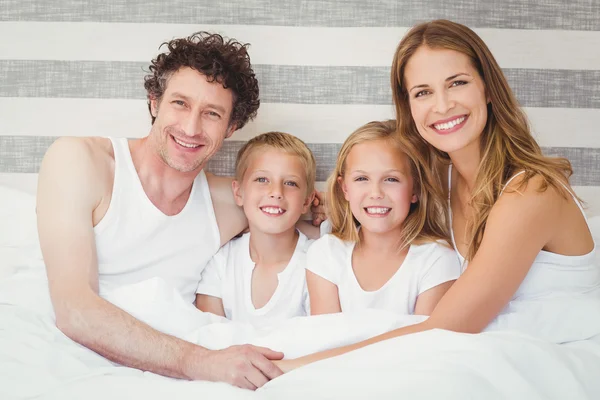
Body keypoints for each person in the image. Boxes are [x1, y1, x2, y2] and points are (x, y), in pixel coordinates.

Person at [275, 19, 599, 372]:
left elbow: (443, 329)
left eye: (457, 83)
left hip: (554, 354)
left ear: (488, 89)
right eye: (423, 92)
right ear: (409, 107)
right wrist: (317, 209)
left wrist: (299, 367)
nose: (442, 106)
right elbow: (378, 211)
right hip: (482, 347)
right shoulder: (439, 180)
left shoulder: (530, 191)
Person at [36, 31, 292, 390]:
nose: (190, 128)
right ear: (154, 101)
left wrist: (322, 207)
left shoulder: (229, 201)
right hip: (76, 363)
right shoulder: (82, 161)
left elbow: (309, 213)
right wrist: (203, 362)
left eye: (212, 114)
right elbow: (74, 311)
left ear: (231, 127)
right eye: (180, 104)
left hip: (164, 379)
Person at [306, 120, 460, 316]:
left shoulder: (436, 259)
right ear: (345, 188)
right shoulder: (326, 254)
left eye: (391, 179)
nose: (376, 193)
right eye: (362, 179)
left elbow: (424, 343)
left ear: (416, 189)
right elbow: (326, 339)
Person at [196, 132, 316, 327]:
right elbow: (211, 340)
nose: (276, 192)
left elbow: (322, 341)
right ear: (238, 192)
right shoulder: (220, 264)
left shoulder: (317, 263)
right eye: (262, 180)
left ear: (307, 201)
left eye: (290, 183)